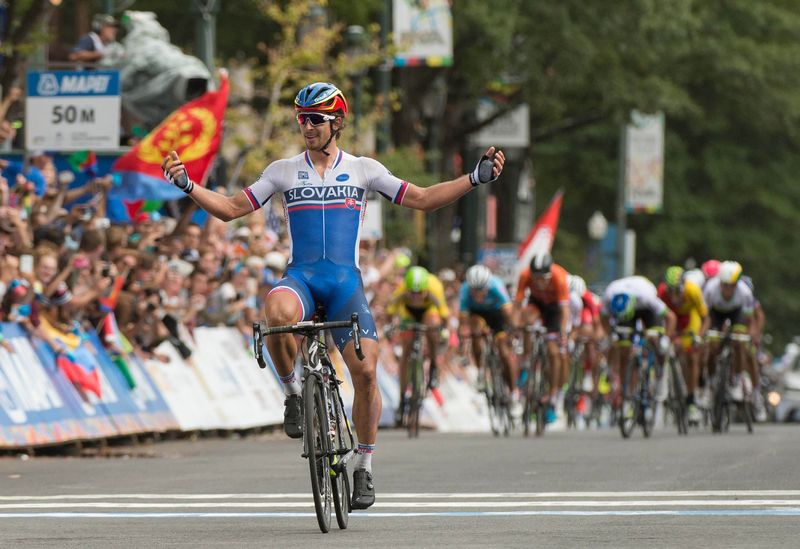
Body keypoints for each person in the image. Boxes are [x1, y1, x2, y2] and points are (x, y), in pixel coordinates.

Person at [162, 81, 505, 510]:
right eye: (301, 119)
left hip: (345, 285)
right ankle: (292, 394)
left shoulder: (364, 169)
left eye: (316, 120)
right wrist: (188, 185)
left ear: (337, 123)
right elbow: (232, 209)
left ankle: (364, 465)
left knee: (366, 374)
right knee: (275, 312)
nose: (307, 127)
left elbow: (421, 198)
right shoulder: (282, 171)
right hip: (301, 279)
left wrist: (475, 178)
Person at [386, 266, 450, 426]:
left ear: (426, 289)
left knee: (433, 325)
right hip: (408, 313)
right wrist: (390, 327)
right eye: (412, 293)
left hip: (429, 311)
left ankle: (433, 364)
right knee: (406, 351)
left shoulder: (435, 287)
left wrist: (443, 331)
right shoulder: (402, 289)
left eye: (419, 293)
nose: (415, 297)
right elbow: (390, 311)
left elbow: (444, 314)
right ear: (407, 289)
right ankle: (402, 400)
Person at [600, 275, 677, 407]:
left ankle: (660, 376)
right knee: (624, 350)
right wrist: (610, 335)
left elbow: (671, 317)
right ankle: (626, 393)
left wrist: (665, 339)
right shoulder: (608, 295)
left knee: (656, 341)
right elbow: (603, 318)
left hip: (646, 309)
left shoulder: (647, 297)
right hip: (625, 312)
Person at [515, 253, 570, 422]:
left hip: (554, 309)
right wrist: (516, 326)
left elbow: (564, 310)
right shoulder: (525, 275)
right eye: (536, 279)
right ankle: (526, 361)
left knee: (554, 352)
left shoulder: (559, 277)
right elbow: (517, 304)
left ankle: (553, 394)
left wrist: (562, 332)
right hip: (536, 303)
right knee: (526, 321)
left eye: (543, 279)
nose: (539, 283)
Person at [459, 264, 516, 407]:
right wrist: (463, 338)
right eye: (474, 291)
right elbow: (463, 321)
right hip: (477, 316)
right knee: (475, 332)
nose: (478, 294)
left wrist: (513, 333)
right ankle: (480, 371)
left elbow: (508, 313)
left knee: (504, 352)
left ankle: (513, 391)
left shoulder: (496, 285)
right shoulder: (464, 290)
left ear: (487, 286)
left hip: (497, 315)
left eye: (481, 290)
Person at [657, 266, 708, 424]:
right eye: (670, 291)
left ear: (683, 286)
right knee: (663, 348)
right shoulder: (661, 293)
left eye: (677, 291)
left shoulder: (692, 290)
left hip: (689, 322)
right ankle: (663, 386)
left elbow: (706, 318)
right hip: (671, 322)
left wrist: (699, 337)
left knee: (692, 356)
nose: (673, 296)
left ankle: (691, 400)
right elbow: (657, 317)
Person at [702, 261, 756, 407]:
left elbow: (749, 319)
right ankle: (710, 383)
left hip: (736, 314)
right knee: (713, 347)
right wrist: (704, 334)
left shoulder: (745, 292)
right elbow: (705, 316)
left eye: (730, 285)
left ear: (736, 284)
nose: (726, 288)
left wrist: (749, 336)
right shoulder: (710, 288)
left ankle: (737, 380)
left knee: (739, 342)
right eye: (723, 284)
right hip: (715, 314)